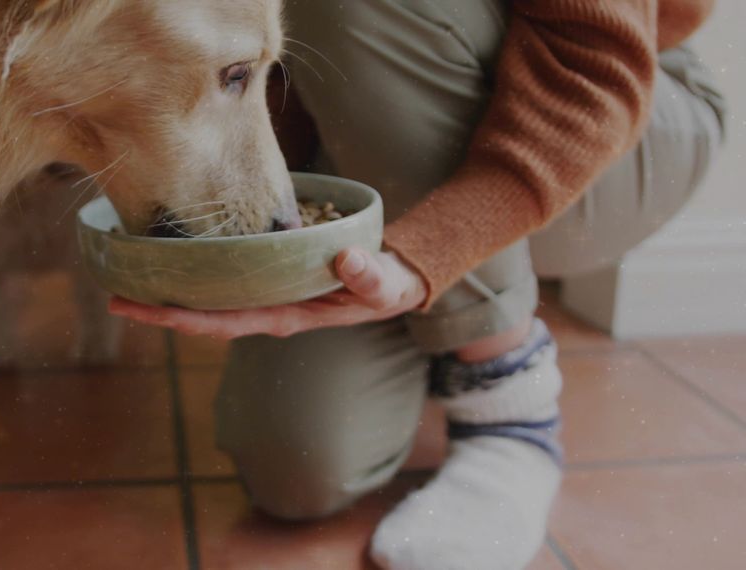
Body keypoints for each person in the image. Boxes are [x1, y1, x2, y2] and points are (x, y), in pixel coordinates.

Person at [111, 0, 726, 568]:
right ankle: (451, 316)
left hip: (610, 120)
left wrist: (427, 255)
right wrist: (286, 244)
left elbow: (593, 60)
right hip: (374, 132)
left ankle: (505, 398)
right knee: (296, 469)